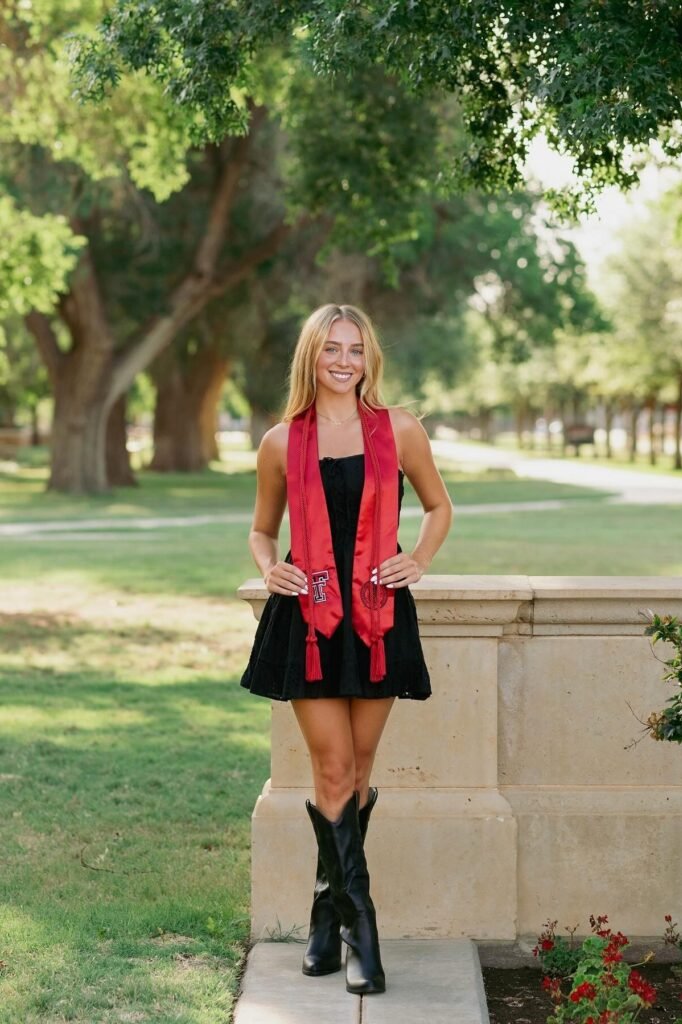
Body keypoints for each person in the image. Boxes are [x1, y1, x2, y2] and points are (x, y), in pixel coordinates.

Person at [240, 303, 453, 995]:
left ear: (368, 358)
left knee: (358, 771)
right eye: (330, 348)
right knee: (332, 769)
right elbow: (261, 529)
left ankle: (320, 918)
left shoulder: (399, 430)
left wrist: (416, 558)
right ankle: (362, 930)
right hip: (306, 620)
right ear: (311, 355)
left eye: (354, 349)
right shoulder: (279, 440)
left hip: (377, 616)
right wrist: (269, 563)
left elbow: (438, 506)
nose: (342, 360)